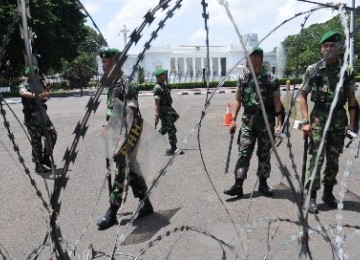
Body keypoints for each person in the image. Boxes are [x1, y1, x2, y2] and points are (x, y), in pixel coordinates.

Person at [300, 31, 358, 214]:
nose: (328, 49)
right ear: (321, 49)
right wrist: (304, 121)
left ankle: (328, 192)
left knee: (333, 159)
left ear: (338, 49)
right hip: (319, 117)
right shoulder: (313, 69)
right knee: (316, 158)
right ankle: (312, 196)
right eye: (325, 46)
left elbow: (352, 99)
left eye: (332, 46)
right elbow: (302, 96)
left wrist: (352, 124)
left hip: (339, 119)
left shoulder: (346, 71)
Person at [97, 48, 153, 230]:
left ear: (114, 62)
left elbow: (130, 112)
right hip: (118, 133)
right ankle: (146, 204)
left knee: (122, 169)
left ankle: (112, 212)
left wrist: (121, 140)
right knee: (133, 168)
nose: (102, 65)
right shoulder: (113, 85)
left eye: (105, 61)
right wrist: (107, 126)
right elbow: (114, 113)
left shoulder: (126, 84)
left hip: (130, 133)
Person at [224, 47, 283, 198]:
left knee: (264, 154)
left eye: (249, 57)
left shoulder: (271, 79)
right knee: (243, 152)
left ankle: (263, 184)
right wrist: (233, 120)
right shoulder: (244, 78)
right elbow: (237, 100)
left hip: (266, 122)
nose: (247, 60)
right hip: (248, 121)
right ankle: (238, 184)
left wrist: (279, 123)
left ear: (258, 59)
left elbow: (277, 103)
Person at [19, 66, 57, 173]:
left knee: (52, 135)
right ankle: (38, 165)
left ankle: (46, 158)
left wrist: (46, 92)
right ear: (28, 75)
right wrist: (37, 96)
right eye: (34, 74)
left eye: (37, 74)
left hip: (43, 117)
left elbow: (44, 98)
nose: (37, 76)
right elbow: (23, 93)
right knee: (37, 142)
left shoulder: (38, 84)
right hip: (32, 118)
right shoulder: (24, 85)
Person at [153, 68, 184, 156]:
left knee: (165, 128)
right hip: (163, 111)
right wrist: (157, 115)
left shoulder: (163, 86)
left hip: (168, 110)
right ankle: (173, 148)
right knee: (171, 128)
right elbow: (156, 103)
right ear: (159, 77)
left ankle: (151, 142)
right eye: (163, 75)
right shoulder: (157, 88)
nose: (165, 76)